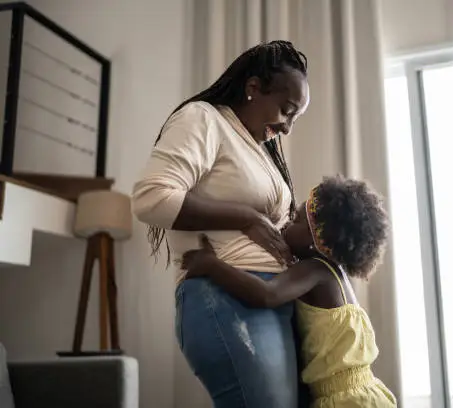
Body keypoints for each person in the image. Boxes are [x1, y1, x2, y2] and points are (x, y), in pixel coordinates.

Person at [131, 41, 310, 408]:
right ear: (254, 88)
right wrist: (245, 217)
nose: (288, 127)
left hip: (272, 298)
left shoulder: (258, 147)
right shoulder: (204, 119)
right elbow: (151, 198)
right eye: (286, 110)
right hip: (225, 295)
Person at [183, 175, 398, 408]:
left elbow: (267, 294)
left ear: (316, 242)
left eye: (295, 220)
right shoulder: (335, 276)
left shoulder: (315, 271)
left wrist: (211, 264)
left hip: (345, 400)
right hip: (364, 393)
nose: (285, 223)